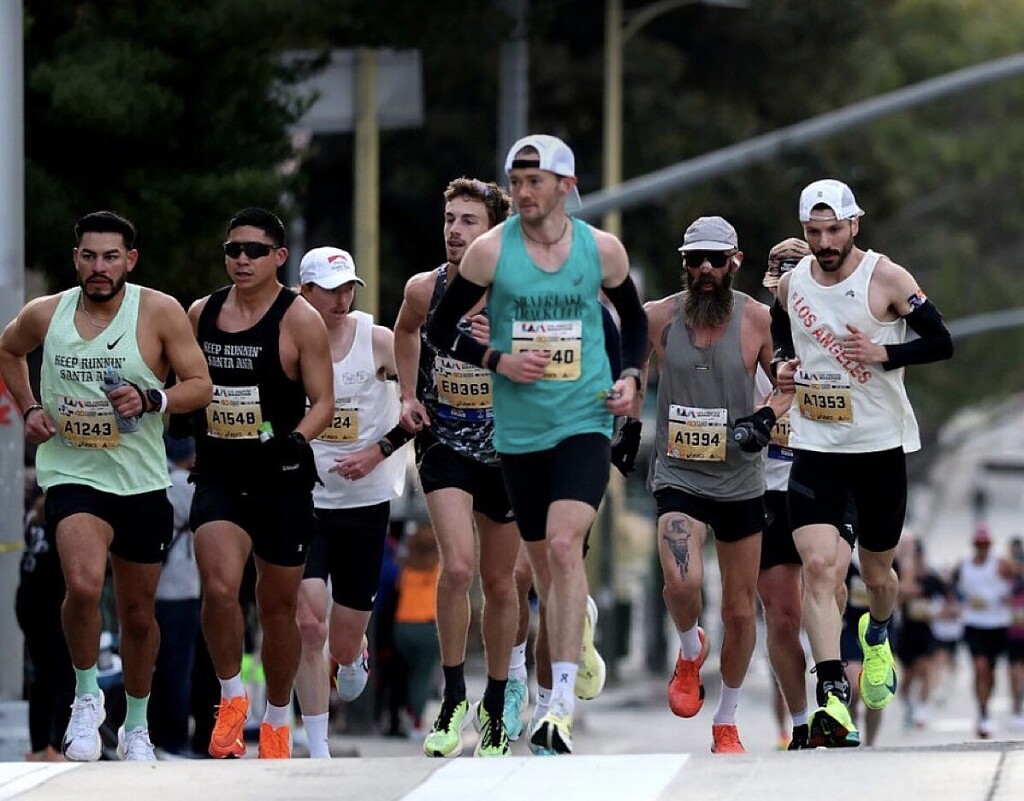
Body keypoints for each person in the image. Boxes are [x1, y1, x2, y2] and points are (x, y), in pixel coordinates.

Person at [427, 135, 648, 755]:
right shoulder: (490, 252)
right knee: (546, 574)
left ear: (566, 186)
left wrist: (631, 377)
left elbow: (632, 320)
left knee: (562, 544)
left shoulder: (600, 250)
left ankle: (558, 708)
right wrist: (497, 359)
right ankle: (577, 623)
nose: (523, 193)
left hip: (583, 420)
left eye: (535, 181)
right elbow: (441, 329)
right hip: (519, 431)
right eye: (516, 181)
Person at [0, 210, 213, 762]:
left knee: (139, 615)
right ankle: (86, 696)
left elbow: (201, 385)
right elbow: (8, 348)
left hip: (140, 480)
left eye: (111, 257)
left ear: (130, 261)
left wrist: (151, 398)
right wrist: (29, 407)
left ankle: (136, 725)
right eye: (90, 256)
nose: (100, 267)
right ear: (76, 259)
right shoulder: (46, 313)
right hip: (73, 472)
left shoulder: (159, 311)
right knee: (83, 585)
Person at [773, 179, 954, 747]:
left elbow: (942, 341)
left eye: (834, 230)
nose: (825, 242)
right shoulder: (793, 284)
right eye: (814, 232)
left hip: (878, 449)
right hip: (816, 445)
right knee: (819, 568)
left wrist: (884, 353)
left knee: (877, 575)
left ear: (854, 224)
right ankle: (831, 692)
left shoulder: (887, 278)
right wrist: (783, 363)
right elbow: (782, 327)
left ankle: (877, 634)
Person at [186, 207, 334, 759]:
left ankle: (276, 717)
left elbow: (324, 401)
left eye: (254, 250)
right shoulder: (201, 313)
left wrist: (295, 439)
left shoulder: (300, 320)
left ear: (279, 257)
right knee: (219, 587)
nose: (241, 259)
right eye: (233, 250)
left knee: (277, 607)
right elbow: (182, 378)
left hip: (279, 480)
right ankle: (231, 695)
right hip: (220, 473)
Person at [638, 215, 782, 754]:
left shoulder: (758, 320)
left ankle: (726, 719)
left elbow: (787, 384)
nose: (704, 269)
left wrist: (765, 418)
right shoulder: (658, 317)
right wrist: (625, 422)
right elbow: (630, 373)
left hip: (740, 478)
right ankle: (689, 647)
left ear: (734, 263)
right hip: (679, 472)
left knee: (740, 609)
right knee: (682, 582)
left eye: (715, 260)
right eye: (695, 259)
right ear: (684, 263)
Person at [395, 177, 523, 758]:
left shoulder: (518, 291)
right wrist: (407, 394)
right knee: (458, 567)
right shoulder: (427, 288)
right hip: (445, 442)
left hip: (509, 446)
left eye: (469, 220)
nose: (454, 230)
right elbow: (404, 330)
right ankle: (451, 699)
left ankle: (494, 705)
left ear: (494, 232)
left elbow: (555, 358)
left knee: (500, 581)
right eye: (449, 218)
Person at [292, 246, 410, 758]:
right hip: (305, 500)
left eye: (348, 289)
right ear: (305, 292)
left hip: (364, 501)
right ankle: (317, 745)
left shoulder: (376, 340)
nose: (342, 300)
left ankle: (353, 651)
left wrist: (377, 451)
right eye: (330, 290)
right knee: (307, 622)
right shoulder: (288, 339)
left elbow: (420, 404)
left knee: (338, 643)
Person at [755, 237, 855, 750]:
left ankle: (833, 698)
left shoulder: (838, 336)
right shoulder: (752, 340)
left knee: (829, 584)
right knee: (782, 617)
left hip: (829, 481)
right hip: (769, 492)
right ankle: (800, 723)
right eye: (781, 290)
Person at [16, 472, 74, 762]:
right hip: (50, 601)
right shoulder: (60, 514)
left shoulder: (34, 516)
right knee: (67, 674)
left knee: (43, 676)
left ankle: (39, 745)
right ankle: (56, 743)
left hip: (29, 601)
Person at [149, 435, 201, 757]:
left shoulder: (152, 478)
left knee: (153, 667)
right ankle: (176, 740)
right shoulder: (184, 484)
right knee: (179, 670)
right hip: (182, 587)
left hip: (151, 588)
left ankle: (151, 735)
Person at [955, 524, 1013, 738]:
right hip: (973, 623)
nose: (982, 548)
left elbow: (1015, 581)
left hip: (997, 623)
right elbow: (954, 587)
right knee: (979, 668)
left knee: (990, 670)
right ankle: (982, 711)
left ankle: (986, 705)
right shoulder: (964, 565)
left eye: (985, 544)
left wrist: (1007, 594)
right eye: (979, 545)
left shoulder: (1000, 563)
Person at [392, 521, 441, 739]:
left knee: (404, 673)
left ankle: (400, 713)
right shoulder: (438, 568)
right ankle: (416, 721)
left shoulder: (405, 568)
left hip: (402, 627)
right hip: (427, 628)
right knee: (422, 676)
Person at [895, 537, 945, 730]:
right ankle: (908, 704)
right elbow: (895, 599)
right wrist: (906, 592)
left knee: (925, 670)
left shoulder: (932, 579)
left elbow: (947, 601)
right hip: (907, 631)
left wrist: (937, 612)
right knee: (908, 675)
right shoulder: (903, 576)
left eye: (920, 555)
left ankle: (922, 708)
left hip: (926, 631)